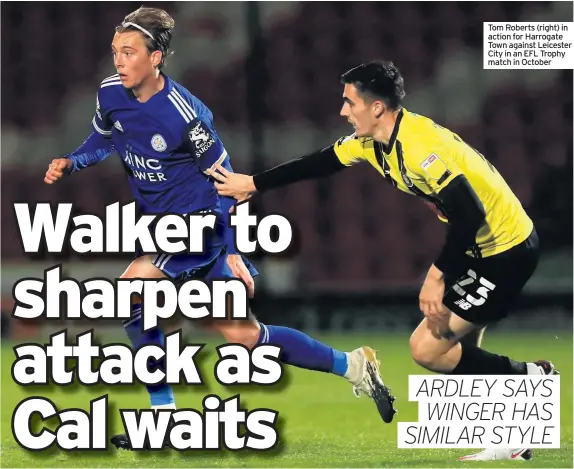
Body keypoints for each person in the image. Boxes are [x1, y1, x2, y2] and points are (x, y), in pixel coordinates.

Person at [43, 9, 397, 450]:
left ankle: (163, 420)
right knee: (246, 337)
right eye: (115, 52)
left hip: (200, 228)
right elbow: (103, 137)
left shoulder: (185, 116)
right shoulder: (111, 93)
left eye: (129, 52)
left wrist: (231, 247)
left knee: (131, 292)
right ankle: (354, 366)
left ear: (156, 58)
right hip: (166, 229)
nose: (118, 61)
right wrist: (72, 161)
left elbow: (228, 183)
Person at [206, 60, 559, 462]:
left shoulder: (422, 146)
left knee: (427, 350)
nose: (342, 111)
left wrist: (436, 277)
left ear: (376, 108)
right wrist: (253, 183)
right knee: (459, 349)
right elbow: (321, 162)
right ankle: (513, 435)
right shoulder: (371, 143)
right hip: (477, 249)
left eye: (349, 102)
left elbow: (471, 214)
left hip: (505, 250)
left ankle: (534, 376)